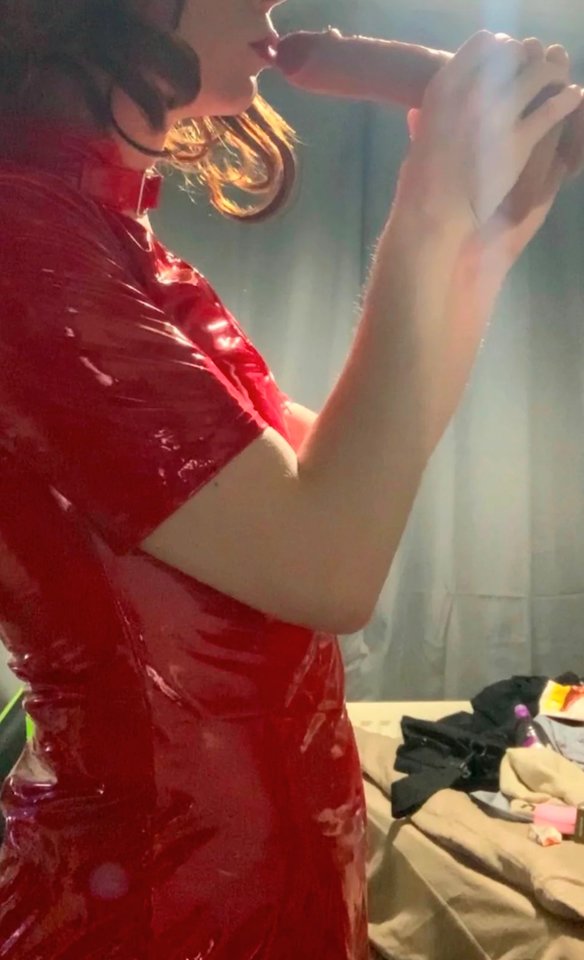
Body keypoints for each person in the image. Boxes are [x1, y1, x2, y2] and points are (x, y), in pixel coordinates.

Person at [0, 1, 582, 957]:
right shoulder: (25, 241)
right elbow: (329, 566)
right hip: (153, 913)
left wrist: (483, 242)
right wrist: (429, 205)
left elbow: (350, 473)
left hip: (269, 887)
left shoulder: (108, 235)